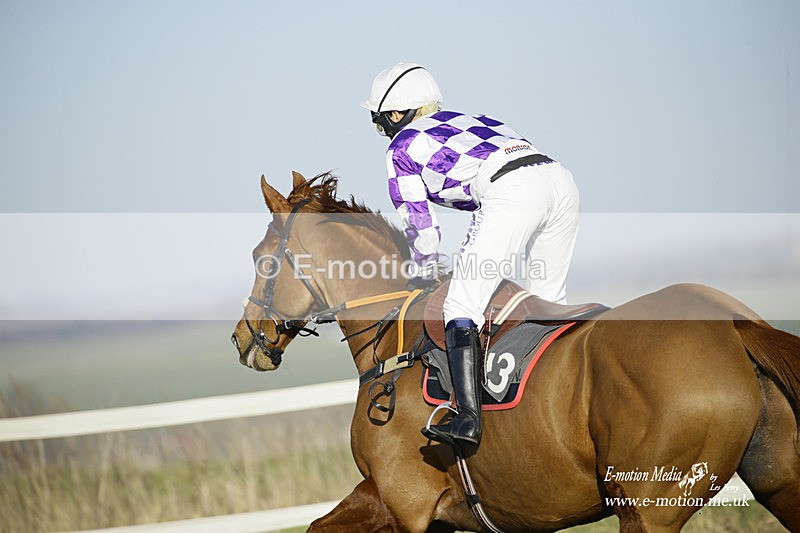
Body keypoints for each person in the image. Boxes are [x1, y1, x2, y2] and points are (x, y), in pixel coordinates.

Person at [362, 63, 580, 447]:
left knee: (461, 303)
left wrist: (424, 269)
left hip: (511, 189)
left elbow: (420, 225)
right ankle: (559, 404)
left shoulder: (400, 148)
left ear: (396, 115)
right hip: (560, 180)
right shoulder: (476, 118)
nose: (384, 133)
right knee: (547, 304)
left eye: (381, 123)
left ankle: (466, 420)